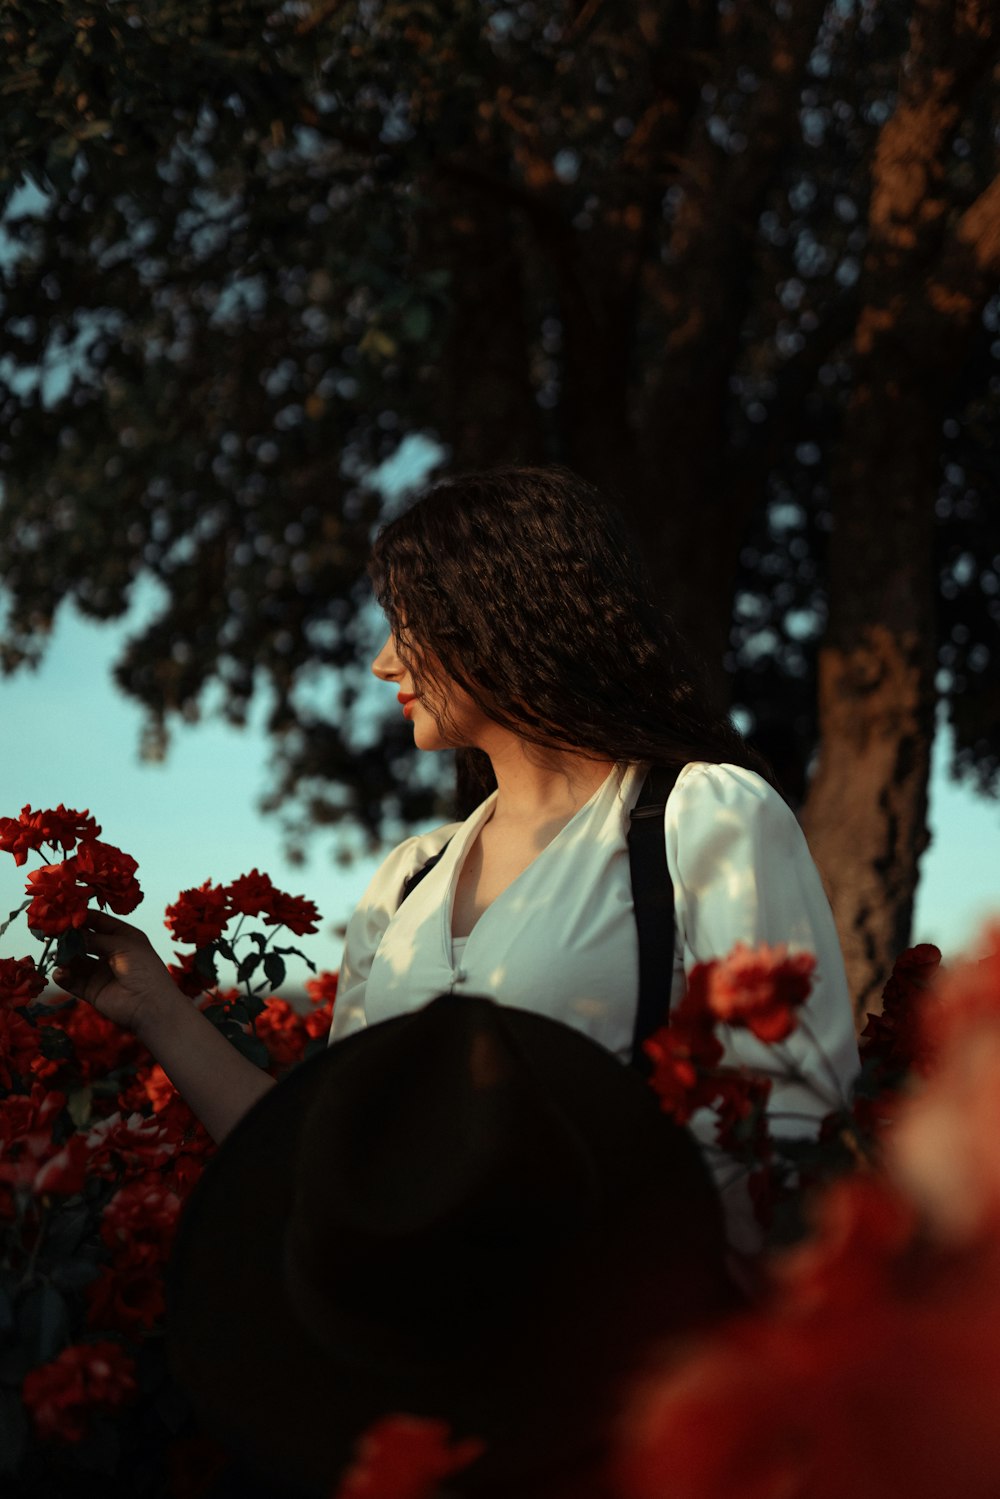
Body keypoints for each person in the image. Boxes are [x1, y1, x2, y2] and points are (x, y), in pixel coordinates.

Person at [54, 463, 859, 1248]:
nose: (383, 661)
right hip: (417, 1355)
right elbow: (329, 1158)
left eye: (405, 621)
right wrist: (155, 1007)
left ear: (502, 612)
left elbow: (793, 1125)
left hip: (622, 1346)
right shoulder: (410, 877)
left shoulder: (700, 815)